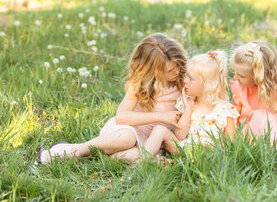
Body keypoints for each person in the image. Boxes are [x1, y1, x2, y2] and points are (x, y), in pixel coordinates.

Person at [38, 33, 186, 164]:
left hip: (149, 141)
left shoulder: (182, 83)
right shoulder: (141, 84)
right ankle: (76, 151)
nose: (176, 72)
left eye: (178, 66)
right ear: (151, 70)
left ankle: (101, 155)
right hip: (125, 131)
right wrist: (162, 116)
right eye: (169, 71)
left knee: (134, 155)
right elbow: (121, 117)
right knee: (127, 139)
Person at [127, 50, 239, 162]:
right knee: (159, 130)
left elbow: (230, 144)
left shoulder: (225, 110)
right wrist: (188, 110)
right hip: (184, 148)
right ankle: (142, 161)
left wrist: (213, 150)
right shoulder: (188, 103)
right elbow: (179, 135)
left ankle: (166, 160)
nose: (185, 80)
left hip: (208, 153)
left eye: (190, 78)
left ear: (207, 85)